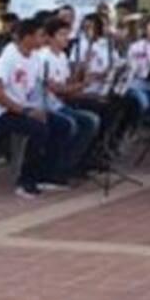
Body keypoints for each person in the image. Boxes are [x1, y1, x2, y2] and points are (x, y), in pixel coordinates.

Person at [0, 19, 72, 198]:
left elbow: (40, 87)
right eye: (40, 35)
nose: (44, 39)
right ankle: (25, 181)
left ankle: (48, 175)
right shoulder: (8, 58)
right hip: (2, 112)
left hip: (23, 107)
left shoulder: (35, 58)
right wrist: (25, 111)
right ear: (27, 37)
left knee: (63, 125)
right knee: (39, 129)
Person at [40, 17, 99, 180]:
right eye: (62, 34)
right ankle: (55, 170)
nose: (66, 38)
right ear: (50, 37)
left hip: (59, 105)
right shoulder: (44, 57)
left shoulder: (62, 57)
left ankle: (71, 165)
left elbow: (68, 83)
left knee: (91, 119)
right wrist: (83, 85)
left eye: (67, 34)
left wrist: (82, 67)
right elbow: (58, 90)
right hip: (46, 106)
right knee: (71, 124)